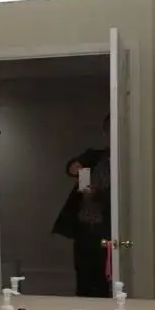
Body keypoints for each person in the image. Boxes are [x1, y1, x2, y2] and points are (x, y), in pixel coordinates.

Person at [51, 114, 111, 297]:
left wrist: (97, 194)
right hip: (84, 229)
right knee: (83, 274)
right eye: (109, 130)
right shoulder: (94, 156)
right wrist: (74, 167)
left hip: (108, 231)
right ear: (105, 132)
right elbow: (72, 167)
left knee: (104, 278)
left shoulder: (129, 163)